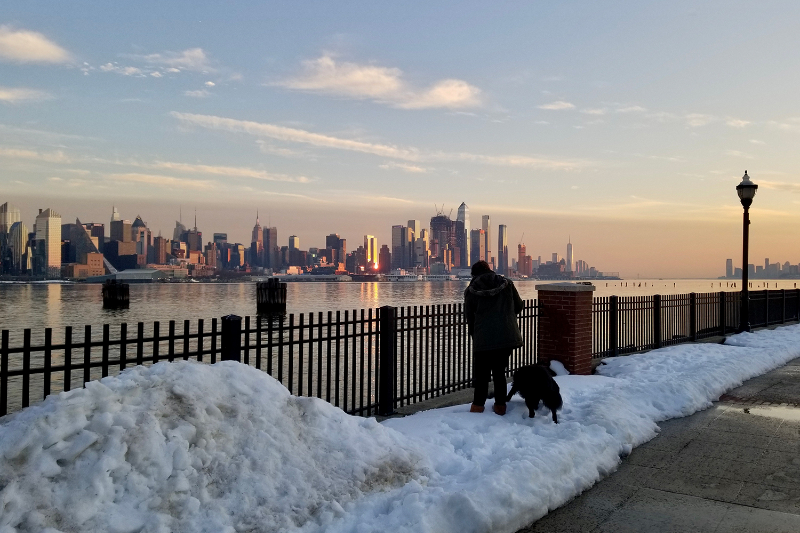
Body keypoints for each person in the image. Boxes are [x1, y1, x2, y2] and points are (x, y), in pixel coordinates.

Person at [464, 260, 524, 415]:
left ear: (474, 274)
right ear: (490, 270)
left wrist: (475, 336)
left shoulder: (471, 290)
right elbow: (518, 306)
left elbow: (469, 318)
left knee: (482, 375)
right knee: (499, 373)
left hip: (483, 338)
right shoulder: (507, 284)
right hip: (506, 336)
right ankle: (500, 407)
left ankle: (477, 407)